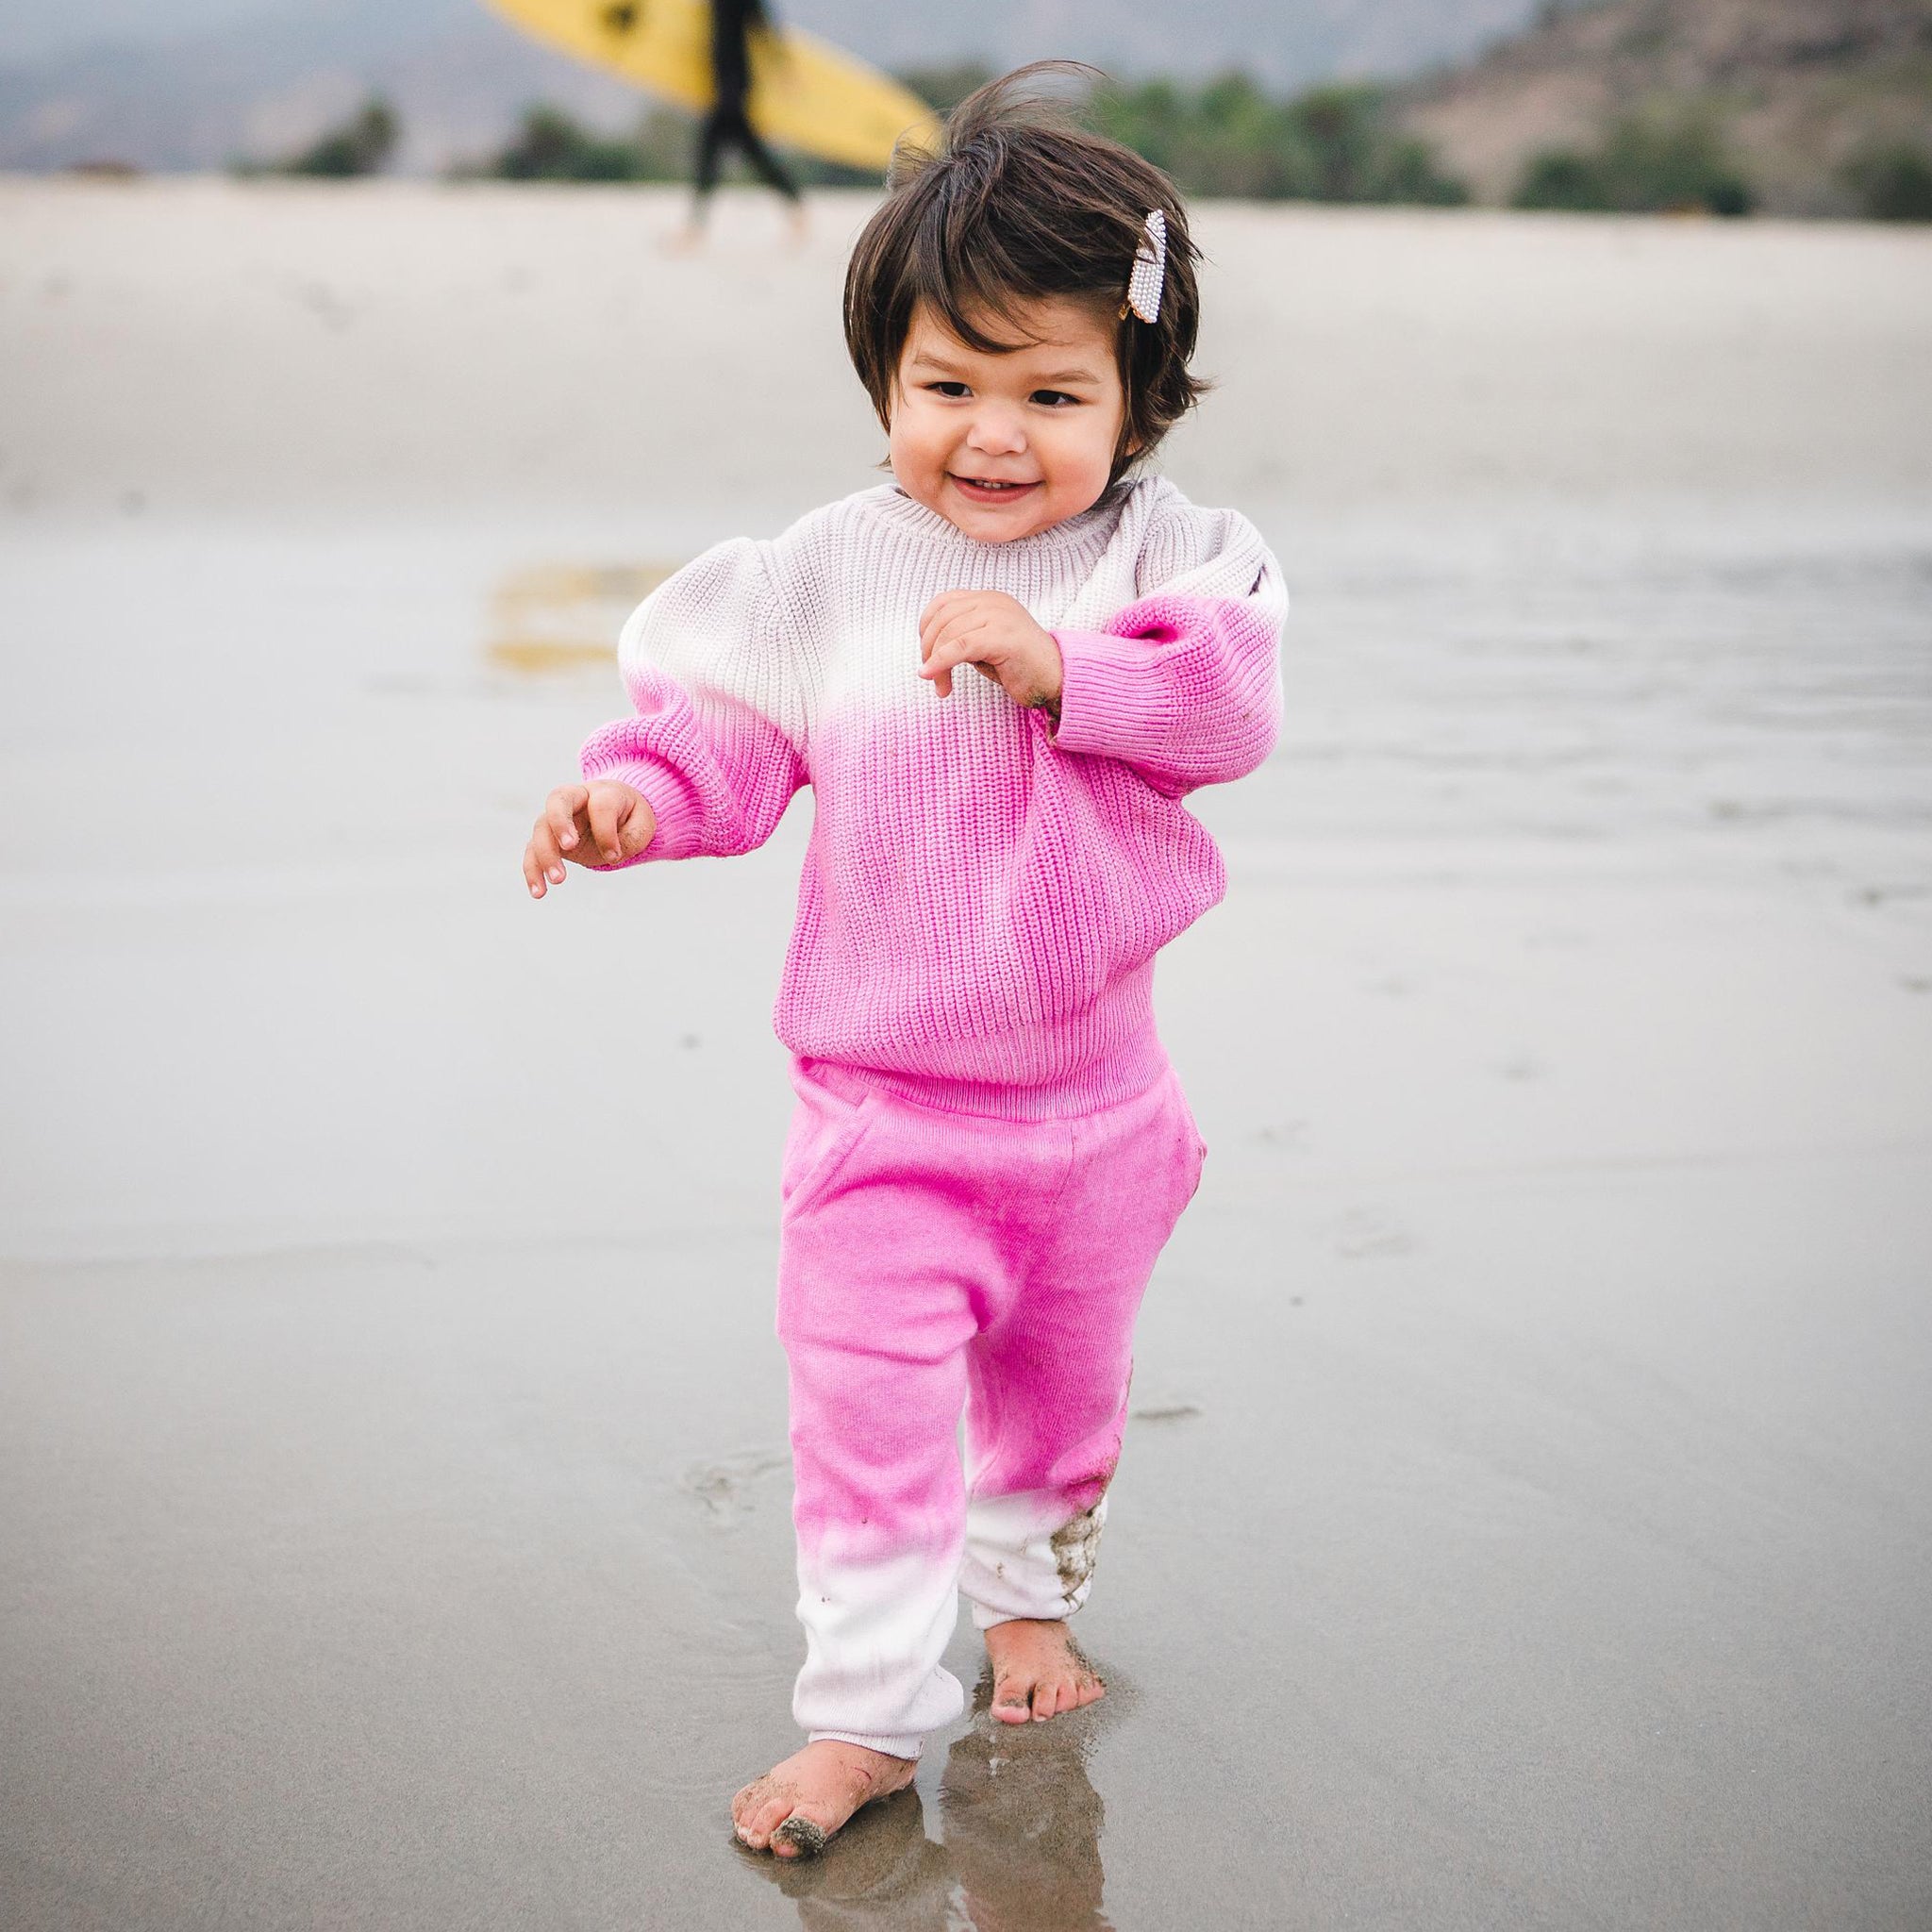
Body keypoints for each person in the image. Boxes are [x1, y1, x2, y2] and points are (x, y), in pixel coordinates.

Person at [521, 63, 1287, 1858]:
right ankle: (863, 1714)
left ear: (1138, 398)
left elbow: (1228, 705)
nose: (993, 434)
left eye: (1050, 391)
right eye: (947, 385)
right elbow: (715, 730)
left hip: (1101, 1111)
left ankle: (1028, 1604)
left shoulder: (1177, 560)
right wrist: (631, 798)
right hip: (878, 1114)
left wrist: (1059, 666)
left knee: (1057, 1393)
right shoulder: (823, 575)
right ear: (884, 381)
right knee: (864, 1415)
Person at [675, 0, 805, 245]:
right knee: (751, 153)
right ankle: (796, 207)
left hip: (733, 87)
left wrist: (784, 71)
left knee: (712, 152)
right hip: (724, 85)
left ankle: (694, 229)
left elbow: (766, 31)